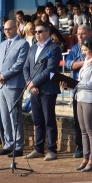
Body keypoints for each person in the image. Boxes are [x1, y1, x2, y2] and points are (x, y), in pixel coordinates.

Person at [60, 39, 92, 172]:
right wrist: (68, 85)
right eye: (83, 51)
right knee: (83, 131)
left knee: (91, 131)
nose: (85, 53)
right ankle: (86, 158)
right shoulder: (86, 62)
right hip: (80, 97)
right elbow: (81, 81)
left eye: (86, 50)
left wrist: (73, 84)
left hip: (91, 100)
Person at [23, 22, 63, 161]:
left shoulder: (54, 48)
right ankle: (38, 149)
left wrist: (34, 82)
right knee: (37, 120)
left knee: (49, 120)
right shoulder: (33, 48)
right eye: (35, 31)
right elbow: (26, 67)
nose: (37, 34)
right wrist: (30, 83)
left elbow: (50, 70)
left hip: (48, 89)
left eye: (40, 31)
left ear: (47, 32)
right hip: (34, 90)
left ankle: (52, 150)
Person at [0, 21, 29, 157]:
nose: (7, 31)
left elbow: (20, 64)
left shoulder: (23, 44)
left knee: (14, 116)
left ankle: (18, 145)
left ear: (16, 28)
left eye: (9, 28)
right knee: (5, 116)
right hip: (1, 85)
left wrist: (4, 75)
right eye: (5, 29)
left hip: (14, 84)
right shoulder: (2, 44)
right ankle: (8, 144)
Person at [65, 25, 92, 159]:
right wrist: (85, 62)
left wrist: (80, 63)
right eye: (78, 34)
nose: (80, 36)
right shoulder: (76, 48)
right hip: (77, 89)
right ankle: (81, 148)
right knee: (78, 121)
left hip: (91, 90)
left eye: (83, 34)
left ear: (90, 34)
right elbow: (69, 64)